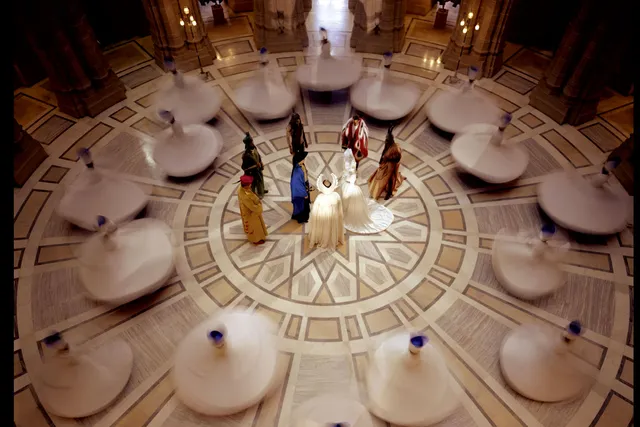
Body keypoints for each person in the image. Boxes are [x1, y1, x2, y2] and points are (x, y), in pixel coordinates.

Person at [341, 149, 393, 234]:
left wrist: (350, 184)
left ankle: (347, 211)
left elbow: (352, 177)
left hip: (350, 186)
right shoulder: (349, 165)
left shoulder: (352, 167)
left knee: (350, 203)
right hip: (346, 184)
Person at [308, 174, 345, 250]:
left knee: (323, 228)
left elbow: (314, 213)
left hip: (323, 219)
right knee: (330, 227)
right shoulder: (336, 195)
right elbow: (340, 210)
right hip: (333, 218)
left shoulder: (320, 197)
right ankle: (331, 237)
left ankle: (321, 237)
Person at [368, 124, 404, 200]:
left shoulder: (396, 147)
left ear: (391, 140)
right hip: (385, 163)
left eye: (387, 140)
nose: (386, 141)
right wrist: (382, 159)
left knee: (390, 179)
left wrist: (389, 158)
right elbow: (384, 151)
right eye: (386, 140)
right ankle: (376, 190)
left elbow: (397, 159)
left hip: (391, 166)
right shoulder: (387, 144)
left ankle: (389, 193)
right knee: (379, 175)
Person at [237, 175, 267, 245]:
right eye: (250, 184)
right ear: (246, 185)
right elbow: (252, 207)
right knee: (255, 226)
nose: (251, 185)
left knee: (252, 225)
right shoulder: (246, 196)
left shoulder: (240, 189)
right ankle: (256, 240)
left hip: (245, 210)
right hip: (251, 213)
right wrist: (259, 206)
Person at [241, 132, 267, 199]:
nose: (252, 143)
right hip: (252, 172)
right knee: (254, 184)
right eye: (251, 142)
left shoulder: (254, 148)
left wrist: (261, 162)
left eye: (252, 141)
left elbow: (258, 155)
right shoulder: (246, 156)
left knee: (261, 180)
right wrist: (254, 166)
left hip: (258, 169)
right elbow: (244, 167)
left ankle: (261, 191)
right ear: (248, 144)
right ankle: (253, 195)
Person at [291, 151, 311, 223]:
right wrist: (304, 194)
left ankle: (302, 216)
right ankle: (301, 218)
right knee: (302, 205)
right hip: (300, 193)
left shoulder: (301, 166)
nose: (304, 160)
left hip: (304, 188)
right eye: (303, 158)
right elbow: (297, 185)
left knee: (304, 205)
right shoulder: (297, 171)